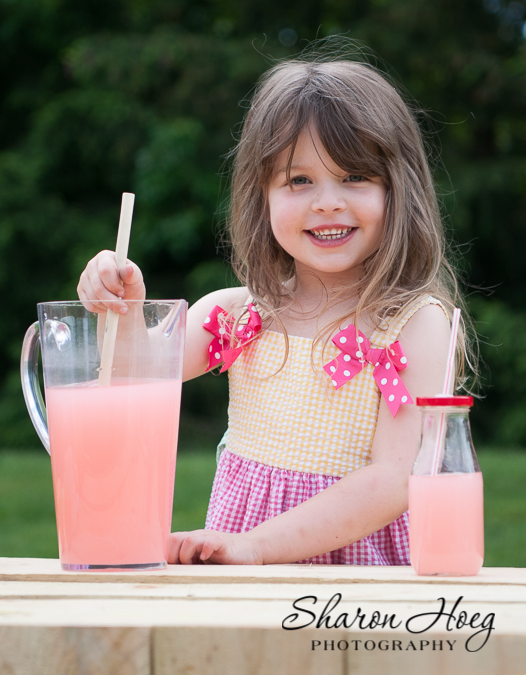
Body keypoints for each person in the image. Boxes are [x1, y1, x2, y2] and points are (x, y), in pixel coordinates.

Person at [78, 53, 474, 567]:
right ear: (260, 197)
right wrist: (122, 312)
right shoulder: (236, 316)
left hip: (350, 584)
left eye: (354, 176)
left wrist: (258, 546)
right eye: (299, 180)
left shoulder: (413, 323)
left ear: (398, 191)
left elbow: (395, 478)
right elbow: (132, 380)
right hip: (237, 571)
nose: (328, 202)